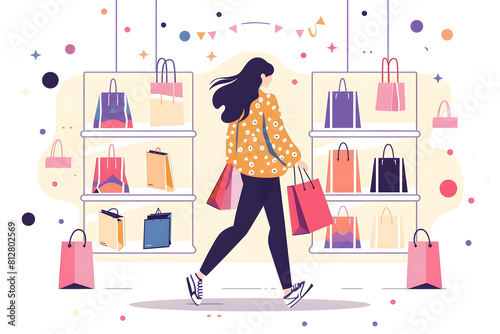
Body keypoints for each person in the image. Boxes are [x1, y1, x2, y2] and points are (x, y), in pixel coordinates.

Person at [187, 57, 312, 308]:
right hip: (264, 174)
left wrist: (238, 163)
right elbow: (277, 135)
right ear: (261, 76)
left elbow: (231, 139)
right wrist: (296, 158)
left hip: (251, 172)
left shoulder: (240, 101)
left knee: (270, 228)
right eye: (269, 76)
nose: (271, 80)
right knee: (245, 229)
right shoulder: (266, 100)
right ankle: (198, 276)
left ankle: (288, 289)